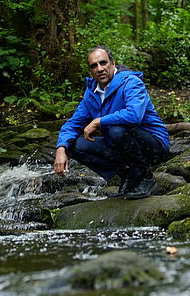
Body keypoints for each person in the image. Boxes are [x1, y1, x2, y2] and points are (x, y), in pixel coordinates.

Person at [53, 46, 170, 200]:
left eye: (103, 63)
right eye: (94, 66)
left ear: (112, 64)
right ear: (90, 71)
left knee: (116, 130)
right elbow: (73, 124)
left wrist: (98, 121)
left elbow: (134, 115)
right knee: (74, 145)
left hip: (154, 146)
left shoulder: (131, 82)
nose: (99, 69)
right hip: (121, 145)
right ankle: (128, 175)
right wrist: (61, 149)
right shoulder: (92, 93)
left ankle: (145, 176)